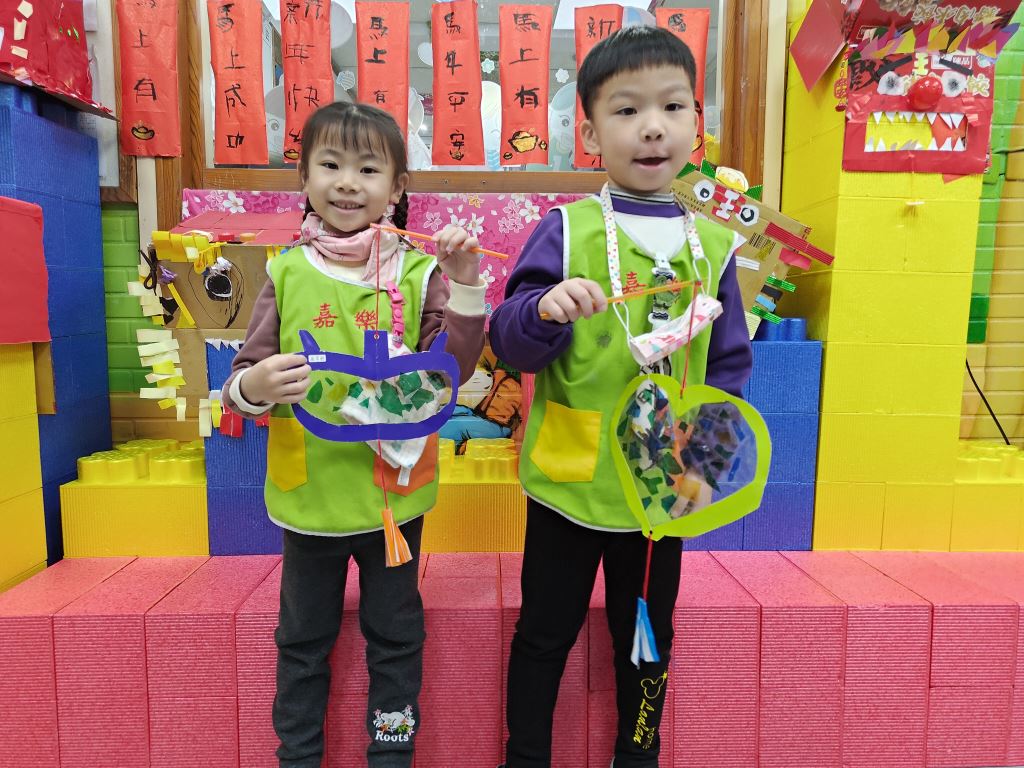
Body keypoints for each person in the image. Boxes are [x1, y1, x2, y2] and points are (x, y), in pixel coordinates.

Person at [488, 25, 754, 768]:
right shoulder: (565, 230)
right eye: (627, 110)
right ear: (589, 134)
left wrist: (704, 463)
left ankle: (638, 756)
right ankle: (526, 758)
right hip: (569, 485)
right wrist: (541, 312)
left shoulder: (715, 242)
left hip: (657, 491)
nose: (652, 127)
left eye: (672, 106)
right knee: (544, 633)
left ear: (697, 123)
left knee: (645, 639)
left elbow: (729, 363)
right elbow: (508, 341)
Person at [221, 101, 486, 768]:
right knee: (302, 641)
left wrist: (465, 288)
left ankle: (391, 755)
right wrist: (255, 387)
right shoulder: (286, 271)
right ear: (305, 178)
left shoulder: (419, 272)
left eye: (368, 169)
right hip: (310, 499)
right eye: (330, 164)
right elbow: (243, 377)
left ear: (397, 188)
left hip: (392, 498)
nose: (347, 182)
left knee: (396, 638)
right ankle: (298, 757)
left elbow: (451, 372)